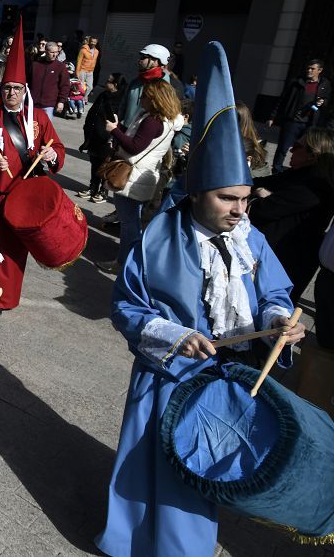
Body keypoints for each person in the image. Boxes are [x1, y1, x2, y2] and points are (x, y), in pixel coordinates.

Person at [96, 42, 304, 557]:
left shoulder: (249, 238)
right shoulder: (158, 239)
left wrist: (279, 319)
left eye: (245, 198)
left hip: (229, 376)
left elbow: (274, 290)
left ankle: (182, 542)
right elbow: (126, 308)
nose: (239, 211)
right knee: (161, 467)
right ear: (197, 193)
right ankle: (153, 543)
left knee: (209, 468)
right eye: (227, 199)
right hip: (170, 376)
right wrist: (176, 335)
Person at [0, 16, 65, 314]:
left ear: (24, 90)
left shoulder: (38, 120)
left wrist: (51, 156)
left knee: (11, 253)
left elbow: (56, 146)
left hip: (20, 200)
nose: (11, 93)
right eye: (7, 88)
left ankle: (3, 299)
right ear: (0, 88)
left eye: (17, 88)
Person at [97, 80, 183, 273]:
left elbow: (135, 146)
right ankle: (129, 262)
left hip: (132, 177)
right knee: (133, 221)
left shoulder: (152, 121)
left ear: (155, 99)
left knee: (129, 225)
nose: (141, 99)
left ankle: (124, 264)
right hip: (144, 175)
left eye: (145, 96)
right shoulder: (168, 121)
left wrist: (114, 130)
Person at [250, 128, 334, 303]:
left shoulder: (316, 187)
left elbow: (264, 209)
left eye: (297, 146)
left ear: (313, 155)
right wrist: (259, 191)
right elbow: (256, 184)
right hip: (272, 256)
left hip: (285, 264)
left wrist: (264, 196)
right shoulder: (297, 175)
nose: (290, 149)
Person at [267, 58, 332, 173]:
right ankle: (276, 170)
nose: (309, 70)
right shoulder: (296, 82)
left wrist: (322, 102)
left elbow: (326, 101)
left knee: (305, 150)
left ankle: (298, 171)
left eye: (313, 69)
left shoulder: (324, 84)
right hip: (293, 121)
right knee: (283, 148)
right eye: (308, 68)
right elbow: (282, 100)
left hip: (310, 124)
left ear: (320, 70)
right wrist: (273, 117)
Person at [79, 73, 126, 203]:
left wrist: (113, 138)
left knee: (105, 165)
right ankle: (92, 188)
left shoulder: (121, 100)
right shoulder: (103, 95)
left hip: (108, 139)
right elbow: (93, 112)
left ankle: (103, 191)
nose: (106, 82)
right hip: (94, 136)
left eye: (109, 81)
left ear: (115, 84)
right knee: (94, 163)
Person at [118, 43, 184, 128]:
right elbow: (123, 107)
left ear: (156, 61)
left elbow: (173, 115)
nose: (139, 60)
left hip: (148, 137)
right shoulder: (135, 82)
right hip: (125, 133)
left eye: (143, 57)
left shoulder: (171, 85)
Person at [29, 41, 68, 118]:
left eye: (56, 52)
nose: (55, 55)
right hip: (32, 103)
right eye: (52, 52)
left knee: (45, 128)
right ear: (46, 51)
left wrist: (61, 101)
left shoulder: (60, 67)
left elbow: (65, 85)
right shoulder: (35, 65)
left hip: (48, 105)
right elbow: (27, 82)